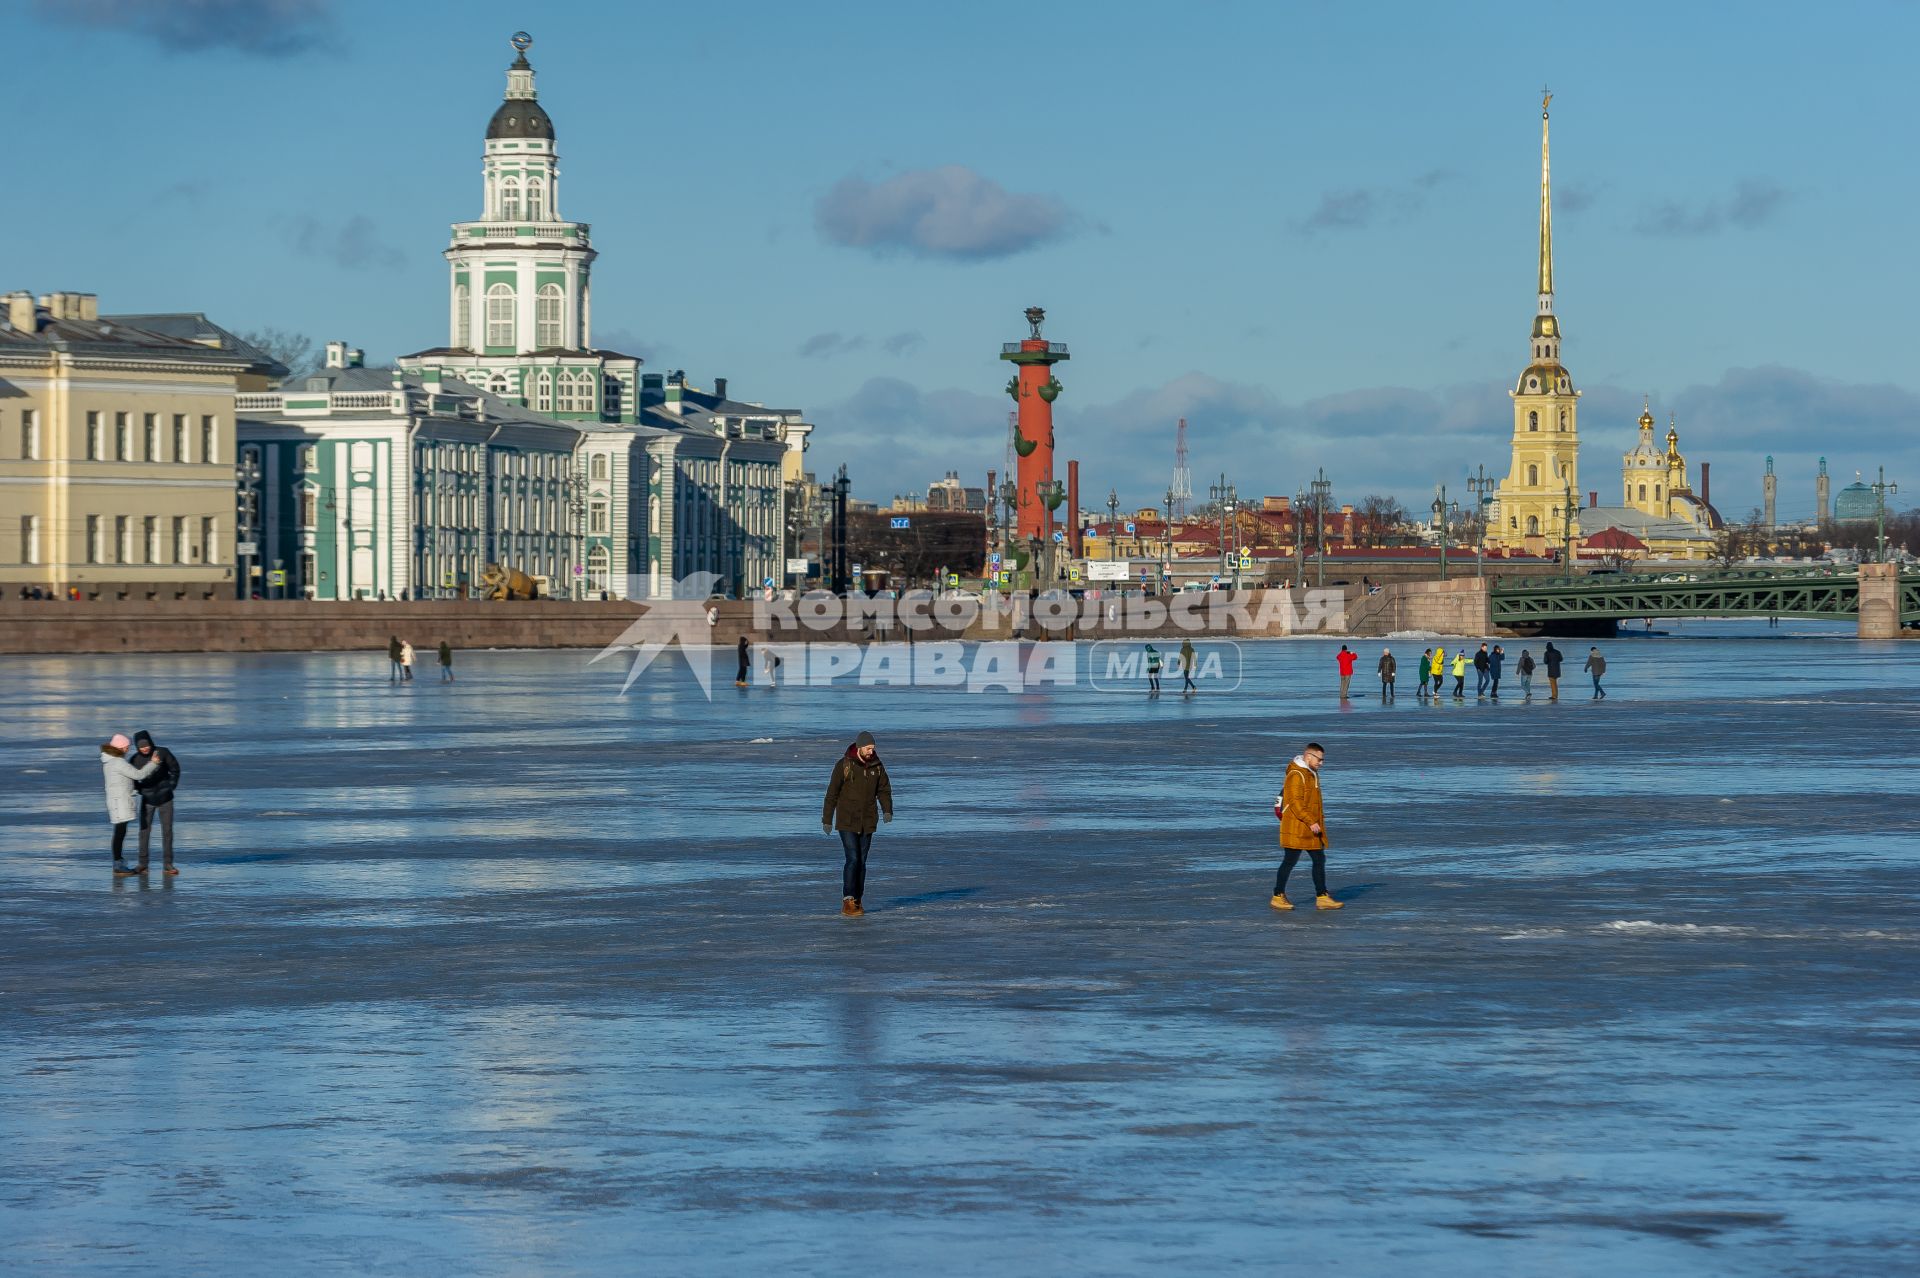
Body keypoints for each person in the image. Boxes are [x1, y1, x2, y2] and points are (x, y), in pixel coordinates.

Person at [822, 730, 893, 917]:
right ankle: (848, 900)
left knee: (862, 862)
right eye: (868, 748)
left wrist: (887, 809)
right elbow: (832, 794)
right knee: (853, 859)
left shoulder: (877, 766)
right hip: (846, 821)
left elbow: (884, 789)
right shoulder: (844, 765)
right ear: (860, 747)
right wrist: (827, 819)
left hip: (868, 820)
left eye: (873, 748)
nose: (871, 752)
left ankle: (858, 899)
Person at [1271, 741, 1341, 910]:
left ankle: (1322, 897)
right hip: (1297, 827)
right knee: (1290, 861)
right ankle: (1277, 896)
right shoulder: (1296, 774)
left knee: (1319, 859)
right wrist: (1311, 821)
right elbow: (1295, 803)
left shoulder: (1311, 773)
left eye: (1323, 760)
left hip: (1311, 828)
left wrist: (1315, 823)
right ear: (1309, 756)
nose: (1321, 763)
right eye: (1319, 759)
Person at [100, 734, 159, 875]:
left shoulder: (110, 761)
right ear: (121, 747)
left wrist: (132, 789)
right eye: (127, 746)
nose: (128, 749)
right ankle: (118, 865)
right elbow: (138, 775)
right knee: (120, 833)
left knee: (120, 832)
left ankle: (118, 863)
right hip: (119, 802)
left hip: (117, 801)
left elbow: (122, 781)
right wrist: (154, 763)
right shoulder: (118, 762)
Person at [130, 730, 182, 876]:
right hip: (147, 800)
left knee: (167, 831)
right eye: (141, 746)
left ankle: (168, 864)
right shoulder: (135, 760)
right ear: (137, 747)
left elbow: (175, 769)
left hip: (166, 798)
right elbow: (132, 779)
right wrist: (141, 791)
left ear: (150, 742)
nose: (144, 748)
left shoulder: (162, 752)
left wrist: (171, 785)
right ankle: (143, 864)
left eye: (146, 745)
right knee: (144, 832)